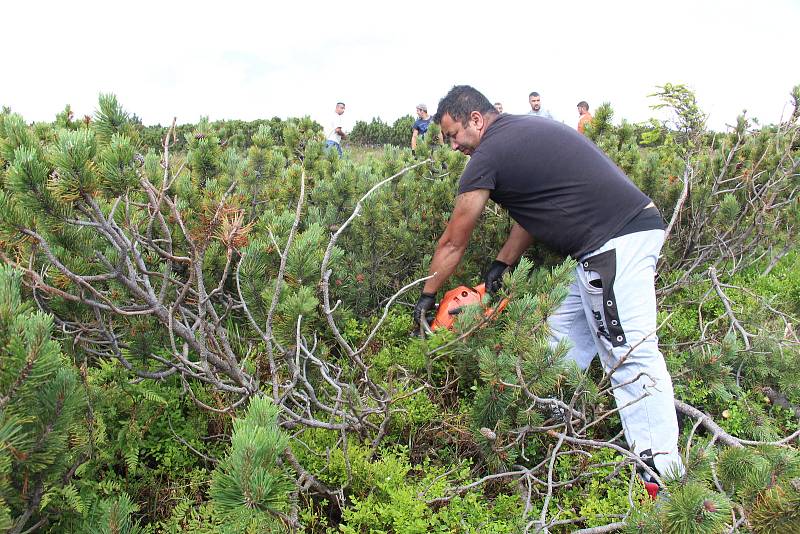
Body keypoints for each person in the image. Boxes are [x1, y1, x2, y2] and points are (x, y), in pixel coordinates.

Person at [413, 85, 683, 484]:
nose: (453, 146)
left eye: (453, 135)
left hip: (613, 243)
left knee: (627, 354)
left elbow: (454, 240)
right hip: (615, 238)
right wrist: (502, 263)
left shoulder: (488, 153)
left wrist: (427, 295)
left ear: (474, 119)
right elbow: (535, 207)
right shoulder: (523, 131)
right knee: (561, 336)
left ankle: (662, 478)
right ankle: (553, 427)